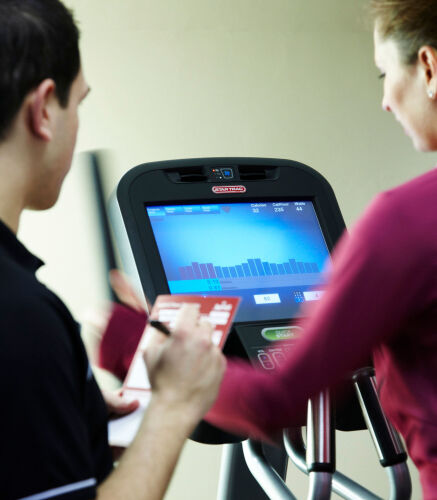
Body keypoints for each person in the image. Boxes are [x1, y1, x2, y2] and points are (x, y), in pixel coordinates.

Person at [204, 1, 437, 498]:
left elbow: (275, 403)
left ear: (429, 68)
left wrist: (139, 346)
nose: (386, 101)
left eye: (384, 75)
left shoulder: (404, 222)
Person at [0, 1, 225, 499]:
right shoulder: (22, 317)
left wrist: (69, 409)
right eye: (77, 104)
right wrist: (174, 405)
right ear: (44, 109)